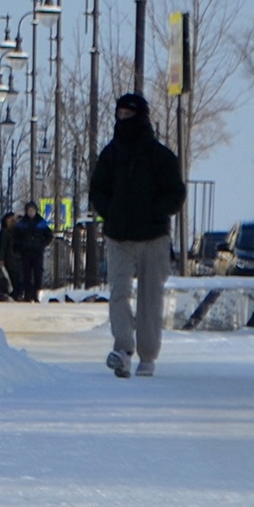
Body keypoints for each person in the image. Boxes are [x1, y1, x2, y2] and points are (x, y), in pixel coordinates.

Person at [86, 92, 186, 377]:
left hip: (153, 237)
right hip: (119, 236)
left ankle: (148, 355)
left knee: (150, 299)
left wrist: (156, 211)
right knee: (118, 292)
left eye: (129, 115)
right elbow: (97, 189)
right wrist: (110, 211)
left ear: (141, 117)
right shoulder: (110, 155)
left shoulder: (160, 156)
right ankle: (122, 349)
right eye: (120, 115)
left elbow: (175, 192)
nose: (123, 119)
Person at [11, 202, 54, 303]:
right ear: (26, 211)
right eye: (29, 210)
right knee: (26, 274)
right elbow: (16, 237)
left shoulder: (41, 222)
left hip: (37, 252)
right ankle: (28, 294)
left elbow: (49, 235)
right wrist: (20, 246)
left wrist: (42, 244)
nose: (31, 212)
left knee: (38, 273)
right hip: (25, 252)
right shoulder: (22, 223)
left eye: (33, 210)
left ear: (36, 211)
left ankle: (36, 294)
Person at [0, 211, 20, 300]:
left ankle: (14, 293)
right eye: (10, 219)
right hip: (7, 260)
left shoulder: (15, 232)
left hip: (14, 259)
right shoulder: (4, 232)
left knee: (14, 277)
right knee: (7, 277)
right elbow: (1, 247)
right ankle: (6, 293)